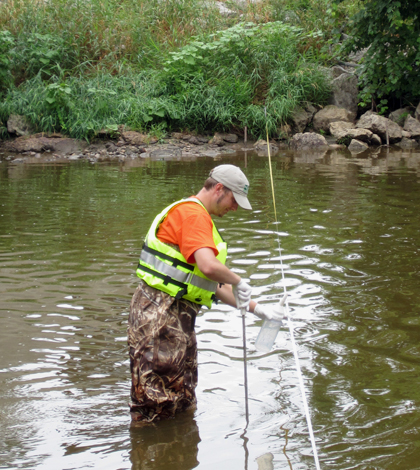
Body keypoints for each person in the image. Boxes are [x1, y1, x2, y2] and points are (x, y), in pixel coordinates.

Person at [128, 164, 279, 422]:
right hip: (159, 317)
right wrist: (238, 279)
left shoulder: (198, 217)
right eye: (234, 200)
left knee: (182, 397)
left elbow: (210, 283)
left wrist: (255, 308)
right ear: (219, 188)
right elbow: (209, 267)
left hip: (177, 318)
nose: (234, 208)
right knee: (156, 405)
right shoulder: (193, 215)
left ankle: (182, 452)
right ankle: (152, 457)